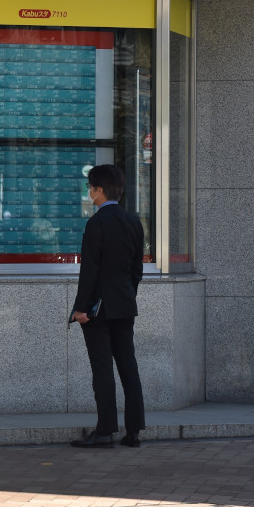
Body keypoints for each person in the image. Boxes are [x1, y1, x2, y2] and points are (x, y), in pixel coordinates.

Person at [70, 165, 146, 449]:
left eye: (91, 187)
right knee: (129, 367)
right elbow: (136, 269)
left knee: (102, 369)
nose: (89, 192)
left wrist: (81, 309)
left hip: (98, 309)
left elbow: (90, 270)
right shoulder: (133, 221)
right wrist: (128, 295)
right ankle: (134, 431)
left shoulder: (97, 223)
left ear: (99, 190)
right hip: (125, 305)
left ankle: (104, 432)